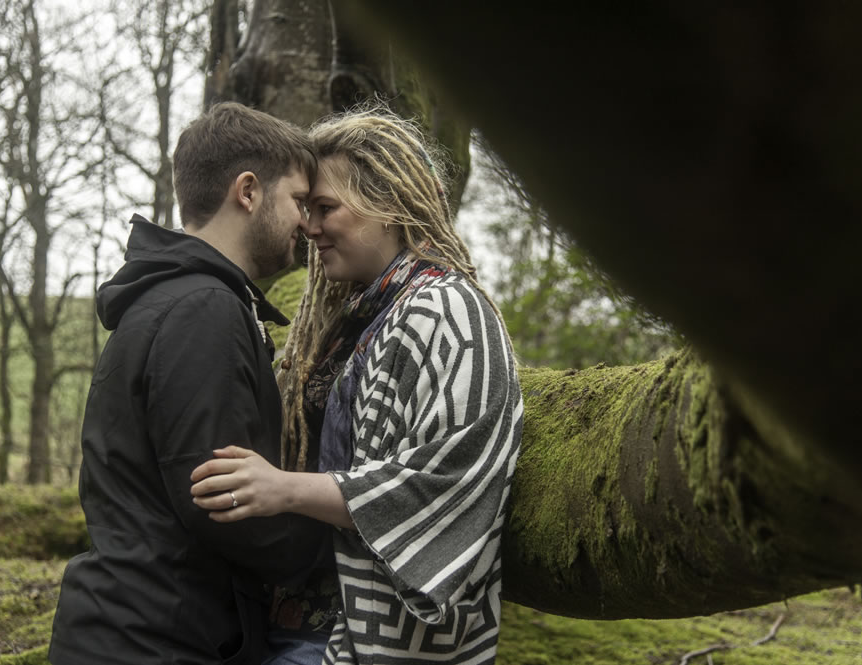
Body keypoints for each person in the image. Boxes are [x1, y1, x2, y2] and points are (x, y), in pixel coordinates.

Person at [189, 106, 524, 664]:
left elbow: (446, 479)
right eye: (306, 208)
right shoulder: (357, 319)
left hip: (372, 643)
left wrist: (285, 488)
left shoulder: (447, 311)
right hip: (296, 627)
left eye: (325, 209)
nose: (309, 227)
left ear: (387, 206)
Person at [49, 102, 332, 665]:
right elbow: (221, 500)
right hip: (152, 642)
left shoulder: (178, 298)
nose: (307, 221)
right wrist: (339, 545)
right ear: (247, 191)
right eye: (298, 201)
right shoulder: (204, 308)